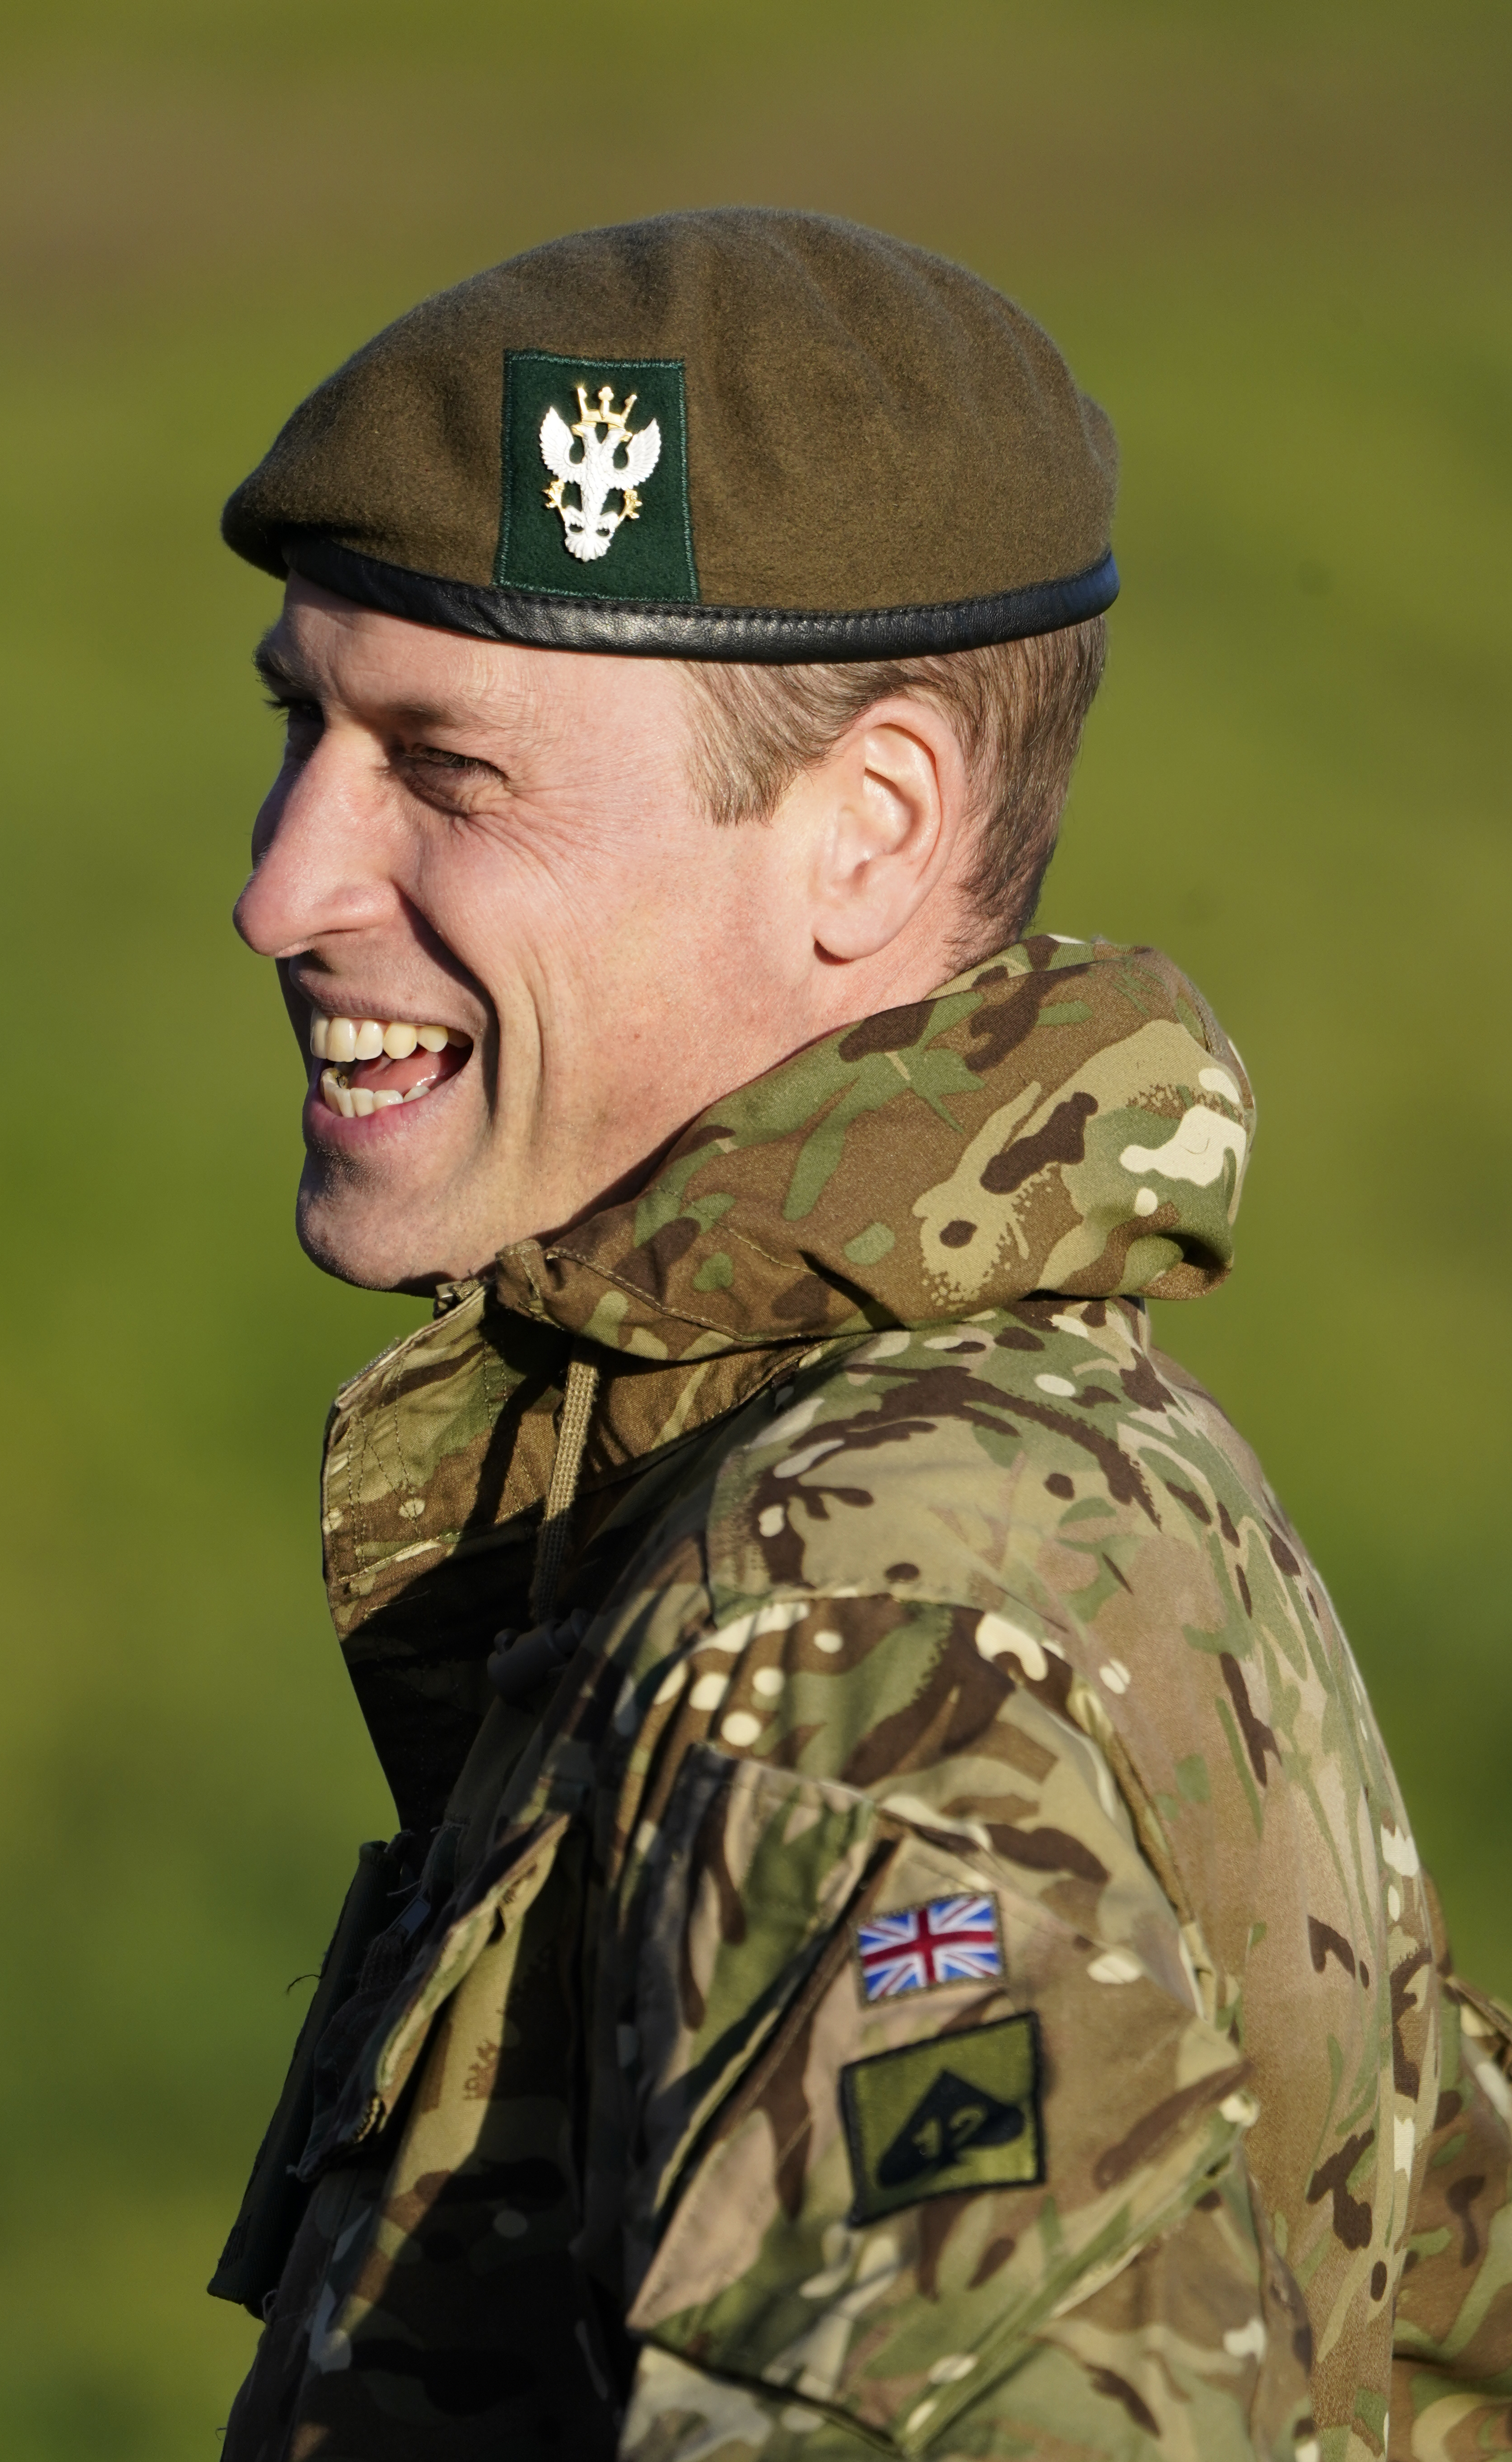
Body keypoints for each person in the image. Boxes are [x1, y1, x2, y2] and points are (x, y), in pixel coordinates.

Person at [206, 210, 1511, 2462]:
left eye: (444, 767)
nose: (283, 885)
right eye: (300, 728)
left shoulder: (862, 1627)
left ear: (865, 832)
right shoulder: (1021, 1460)